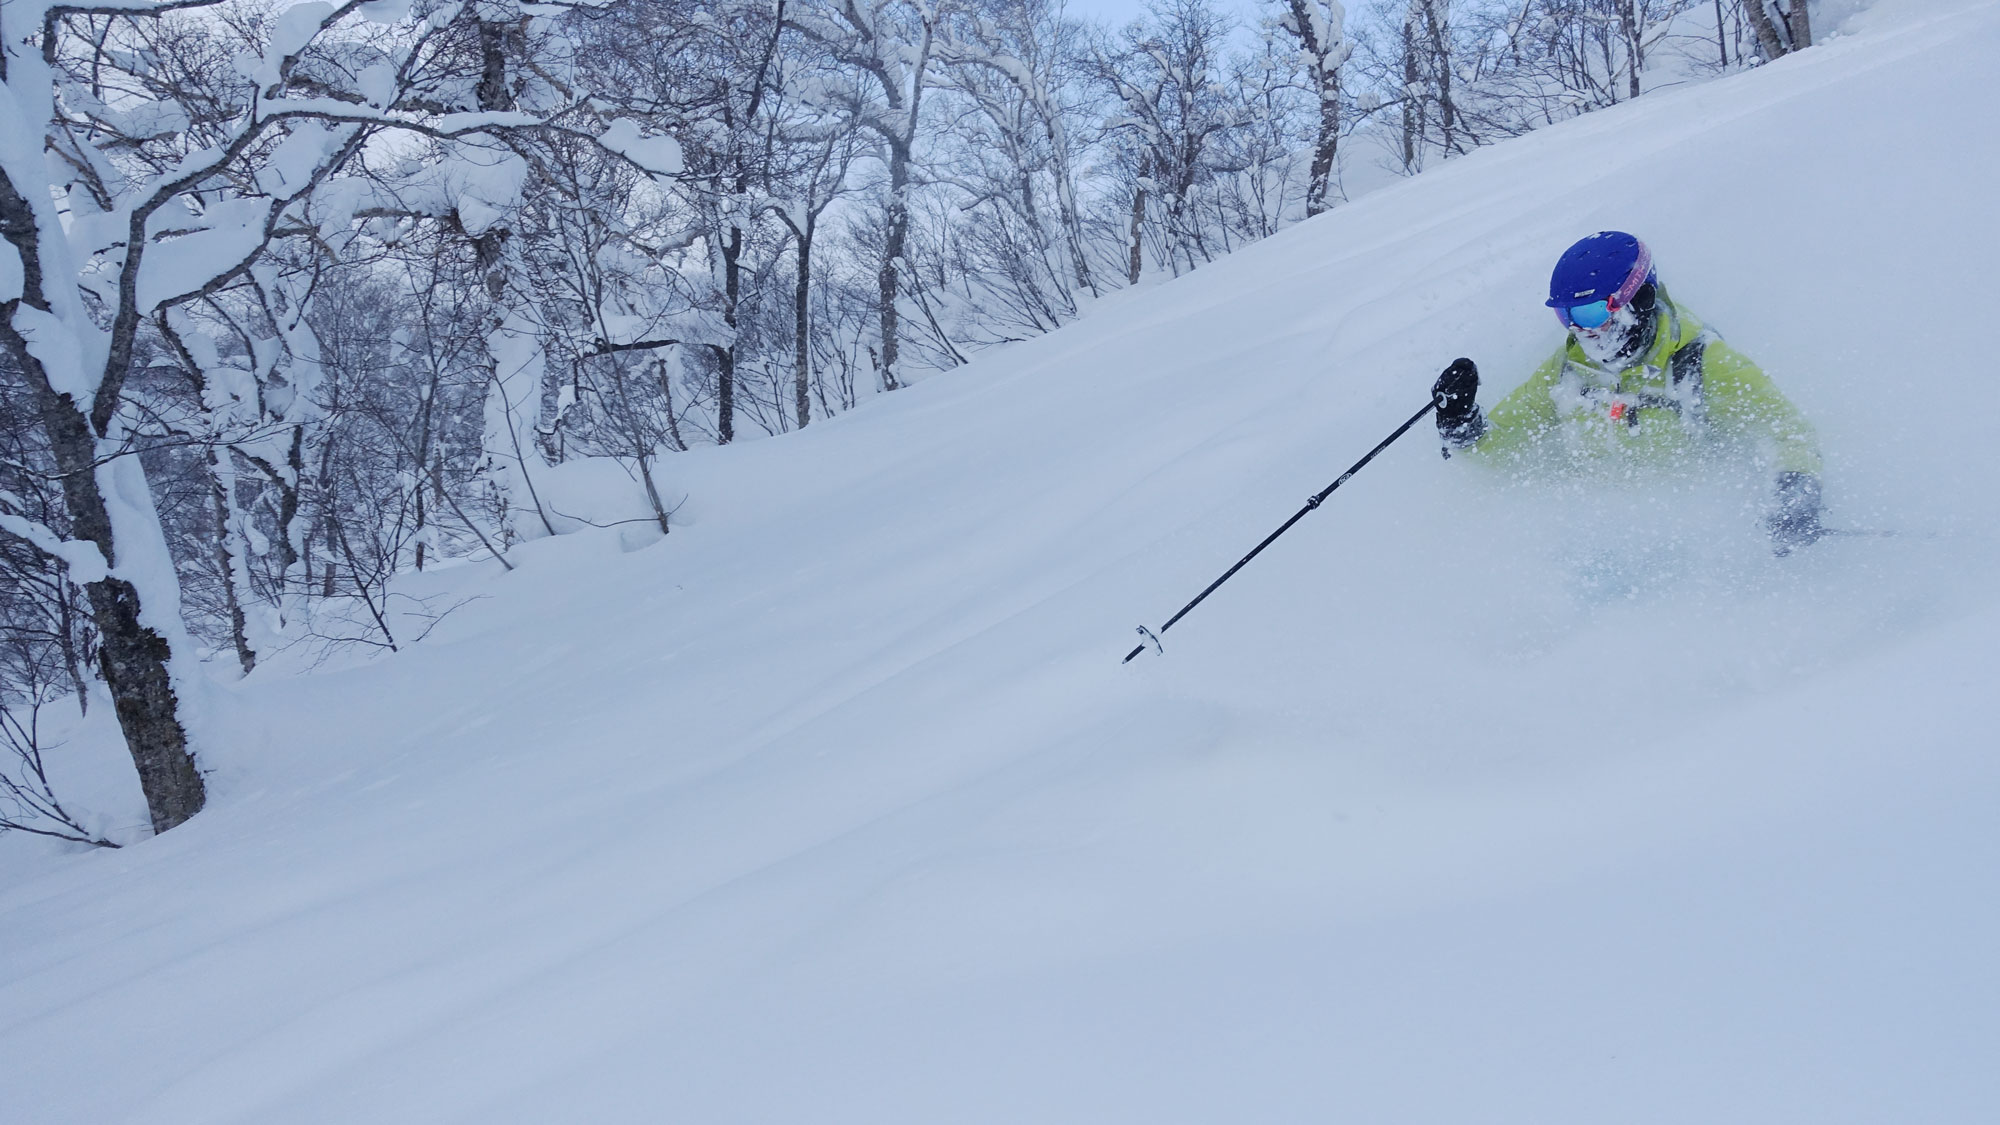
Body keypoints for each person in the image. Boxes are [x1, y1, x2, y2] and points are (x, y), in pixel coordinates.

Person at [1431, 231, 1826, 555]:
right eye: (1566, 316)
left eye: (1591, 314)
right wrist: (1460, 423)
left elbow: (1786, 430)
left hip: (1689, 550)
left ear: (1640, 299)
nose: (1582, 331)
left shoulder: (1702, 363)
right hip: (1592, 550)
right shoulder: (1568, 370)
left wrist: (1795, 496)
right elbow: (1504, 451)